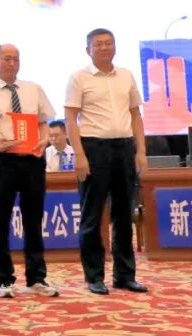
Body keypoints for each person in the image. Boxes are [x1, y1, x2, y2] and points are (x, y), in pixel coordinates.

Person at [0, 43, 59, 299]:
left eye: (16, 59)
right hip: (2, 160)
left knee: (33, 219)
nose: (12, 63)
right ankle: (4, 279)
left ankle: (36, 277)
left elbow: (43, 122)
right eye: (6, 58)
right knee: (0, 219)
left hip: (32, 159)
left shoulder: (33, 88)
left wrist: (44, 140)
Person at [65, 28, 149, 295]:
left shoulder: (126, 75)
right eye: (98, 44)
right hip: (94, 148)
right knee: (91, 216)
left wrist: (141, 151)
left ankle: (125, 275)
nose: (104, 47)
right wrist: (79, 155)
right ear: (88, 49)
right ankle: (94, 276)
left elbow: (135, 115)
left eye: (109, 43)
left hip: (124, 148)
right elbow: (70, 119)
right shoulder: (79, 77)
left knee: (124, 215)